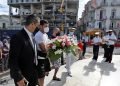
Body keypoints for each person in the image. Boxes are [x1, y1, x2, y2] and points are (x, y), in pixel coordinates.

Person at [9, 14, 40, 86]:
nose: (37, 27)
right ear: (32, 24)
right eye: (37, 25)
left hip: (33, 73)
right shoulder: (17, 37)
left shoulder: (32, 35)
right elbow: (12, 60)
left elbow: (33, 53)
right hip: (23, 77)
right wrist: (19, 78)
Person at [35, 20, 51, 86]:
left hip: (45, 57)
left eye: (47, 26)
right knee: (41, 75)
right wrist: (50, 46)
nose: (47, 28)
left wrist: (49, 46)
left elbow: (48, 44)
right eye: (45, 26)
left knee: (44, 74)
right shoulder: (38, 35)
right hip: (40, 58)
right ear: (40, 26)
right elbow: (43, 49)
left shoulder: (45, 35)